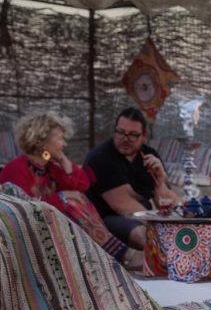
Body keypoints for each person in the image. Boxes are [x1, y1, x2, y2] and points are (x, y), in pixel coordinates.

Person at [0, 111, 143, 268]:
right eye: (60, 139)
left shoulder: (49, 167)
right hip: (25, 231)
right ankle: (121, 255)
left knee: (78, 198)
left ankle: (111, 255)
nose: (64, 144)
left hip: (53, 227)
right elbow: (21, 208)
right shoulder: (16, 168)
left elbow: (82, 186)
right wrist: (61, 197)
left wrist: (63, 160)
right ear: (42, 141)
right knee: (70, 202)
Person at [84, 107, 178, 249]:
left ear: (144, 136)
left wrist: (160, 179)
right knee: (142, 234)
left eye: (133, 135)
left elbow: (167, 205)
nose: (125, 139)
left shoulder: (149, 155)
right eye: (120, 133)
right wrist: (163, 228)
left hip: (143, 216)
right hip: (106, 219)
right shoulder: (101, 158)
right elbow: (124, 207)